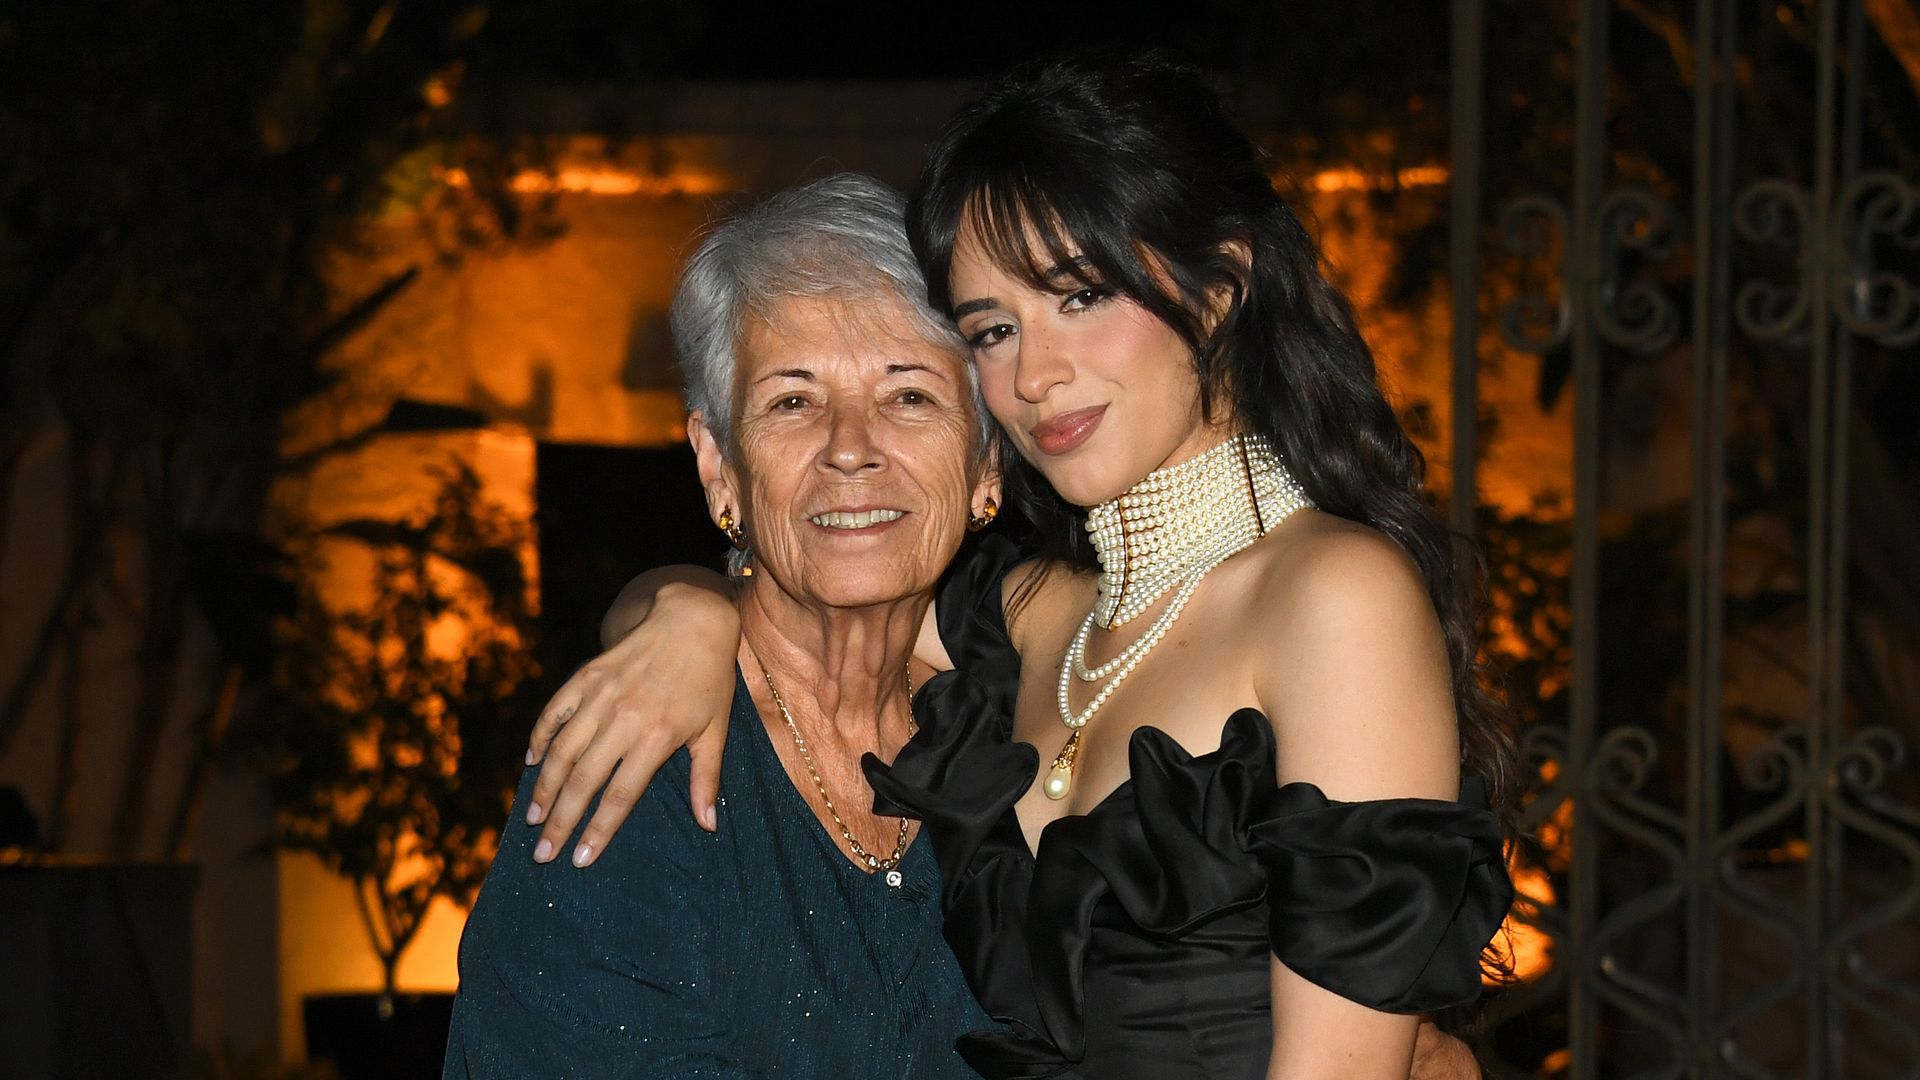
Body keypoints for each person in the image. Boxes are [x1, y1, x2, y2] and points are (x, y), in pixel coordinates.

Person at [522, 53, 1514, 1079]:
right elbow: (801, 595)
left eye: (1081, 296)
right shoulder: (1037, 615)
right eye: (994, 329)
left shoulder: (1335, 597)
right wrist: (682, 612)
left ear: (1220, 288)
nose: (1035, 374)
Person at [442, 173, 1005, 1078]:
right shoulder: (642, 755)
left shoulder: (1025, 734)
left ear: (988, 460)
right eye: (793, 400)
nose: (850, 447)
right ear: (718, 465)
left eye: (908, 396)